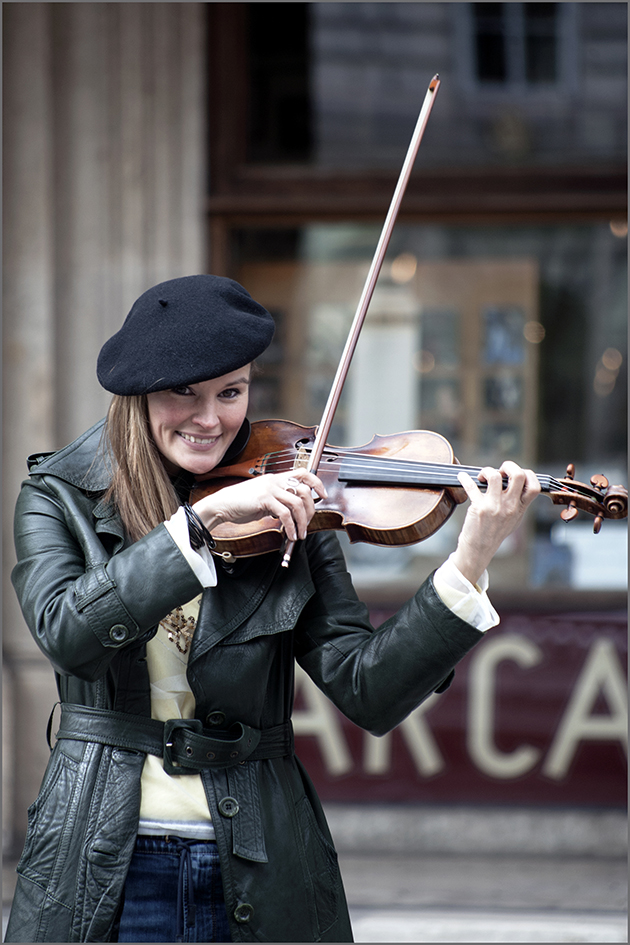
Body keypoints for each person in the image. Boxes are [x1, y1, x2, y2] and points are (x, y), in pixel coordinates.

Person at [6, 274, 540, 944]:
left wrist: (470, 561)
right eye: (185, 393)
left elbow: (367, 689)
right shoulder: (57, 496)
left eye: (231, 391)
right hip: (99, 855)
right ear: (138, 393)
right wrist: (196, 526)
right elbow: (68, 634)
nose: (211, 418)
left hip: (260, 858)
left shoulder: (291, 495)